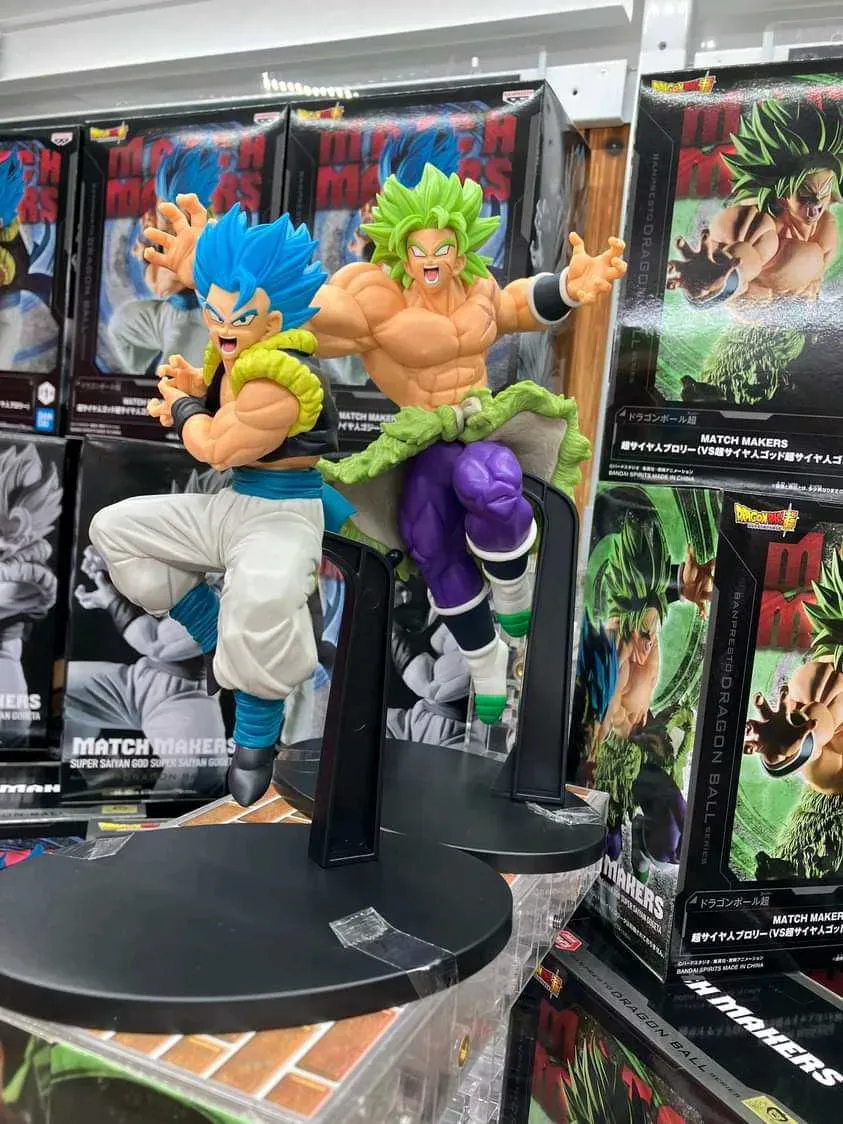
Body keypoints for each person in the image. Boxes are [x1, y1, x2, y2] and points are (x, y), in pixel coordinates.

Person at [141, 166, 626, 719]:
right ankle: (484, 657)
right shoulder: (375, 299)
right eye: (418, 250)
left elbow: (516, 305)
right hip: (422, 438)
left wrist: (567, 287)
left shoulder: (479, 289)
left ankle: (514, 589)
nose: (431, 261)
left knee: (488, 481)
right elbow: (290, 307)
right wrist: (205, 268)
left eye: (443, 248)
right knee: (428, 540)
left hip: (484, 426)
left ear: (461, 248)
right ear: (399, 248)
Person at [90, 205, 349, 806]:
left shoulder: (283, 379)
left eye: (241, 317)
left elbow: (216, 447)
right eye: (215, 312)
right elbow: (217, 426)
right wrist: (193, 391)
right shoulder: (231, 358)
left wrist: (186, 409)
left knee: (261, 600)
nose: (224, 328)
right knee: (114, 530)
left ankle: (255, 738)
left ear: (273, 320)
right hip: (234, 505)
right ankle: (211, 632)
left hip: (284, 515)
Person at [109, 146, 221, 373]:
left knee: (169, 382)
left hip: (197, 320)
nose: (162, 218)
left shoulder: (202, 239)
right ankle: (147, 369)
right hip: (169, 313)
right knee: (120, 325)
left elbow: (161, 286)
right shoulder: (175, 232)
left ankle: (194, 367)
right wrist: (151, 241)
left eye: (167, 215)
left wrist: (147, 249)